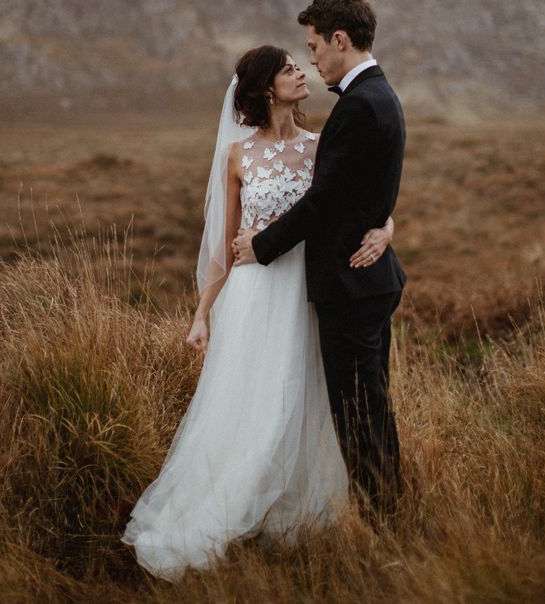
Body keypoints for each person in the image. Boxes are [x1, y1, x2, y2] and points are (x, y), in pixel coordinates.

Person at [121, 44, 395, 580]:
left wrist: (386, 230)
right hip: (252, 297)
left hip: (306, 289)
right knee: (256, 407)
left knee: (306, 397)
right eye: (289, 68)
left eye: (301, 62)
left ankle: (296, 511)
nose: (301, 71)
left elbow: (370, 201)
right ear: (266, 88)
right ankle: (228, 507)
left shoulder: (322, 146)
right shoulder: (238, 156)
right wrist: (202, 314)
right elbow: (225, 247)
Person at [233, 0, 407, 519]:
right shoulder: (380, 94)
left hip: (350, 284)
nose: (311, 61)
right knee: (373, 407)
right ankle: (393, 511)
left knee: (357, 414)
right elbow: (366, 188)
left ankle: (383, 524)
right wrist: (385, 222)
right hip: (367, 278)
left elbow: (326, 198)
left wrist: (261, 246)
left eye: (312, 47)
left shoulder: (358, 105)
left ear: (339, 40)